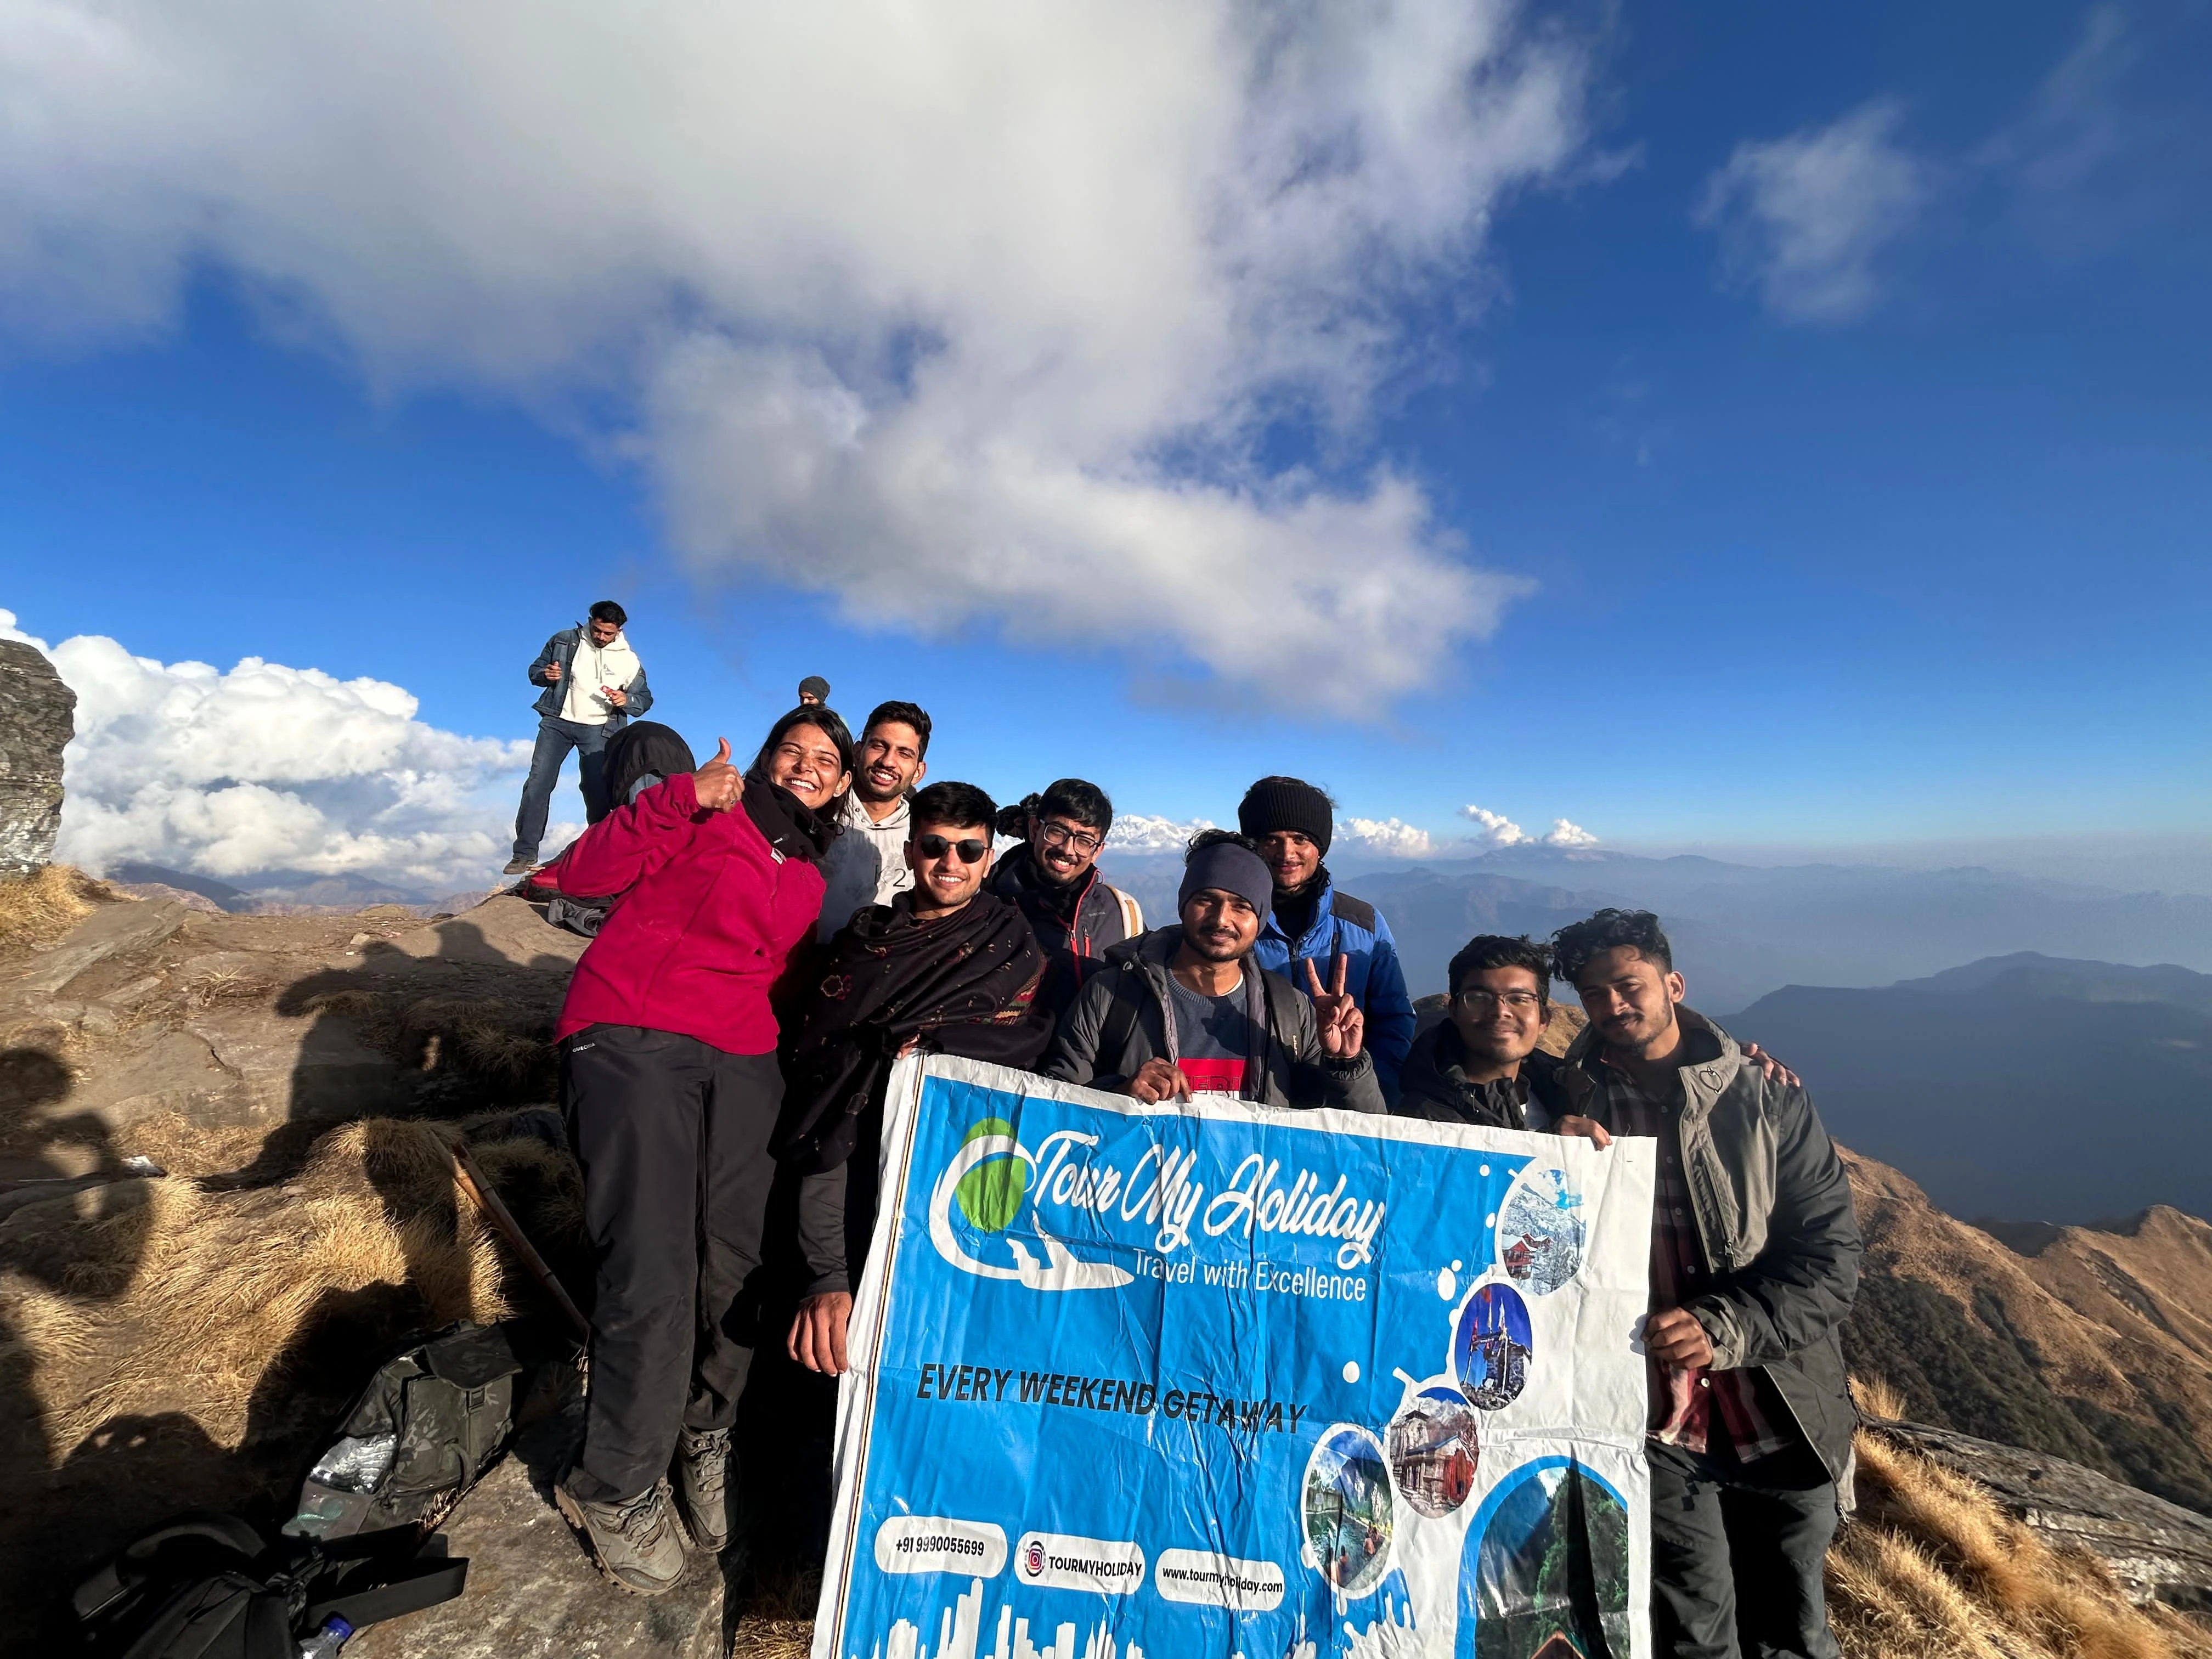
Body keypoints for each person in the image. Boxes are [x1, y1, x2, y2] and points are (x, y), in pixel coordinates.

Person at [547, 704, 854, 1595]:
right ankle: (614, 1481)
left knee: (738, 1262)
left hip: (743, 1050)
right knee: (651, 1259)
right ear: (763, 760)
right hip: (635, 1026)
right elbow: (581, 872)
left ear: (839, 783)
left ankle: (705, 1429)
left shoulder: (806, 864)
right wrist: (682, 795)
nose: (804, 765)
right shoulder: (705, 812)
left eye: (822, 759)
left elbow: (786, 974)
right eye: (789, 751)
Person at [1543, 908, 1859, 1659]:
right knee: (1691, 1631)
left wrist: (1724, 1328)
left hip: (1777, 1409)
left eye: (1630, 986)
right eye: (1594, 994)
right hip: (1660, 1423)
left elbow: (1831, 1261)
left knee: (1792, 1629)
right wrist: (1549, 1166)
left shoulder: (1768, 1097)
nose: (1614, 1006)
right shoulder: (1567, 1101)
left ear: (1673, 984)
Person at [775, 781, 1053, 1378]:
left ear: (988, 857)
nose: (950, 863)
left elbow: (1030, 1060)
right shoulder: (863, 946)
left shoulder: (1012, 950)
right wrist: (827, 1271)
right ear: (909, 849)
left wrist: (937, 1045)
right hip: (850, 1193)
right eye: (934, 845)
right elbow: (825, 1102)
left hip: (961, 1195)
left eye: (969, 850)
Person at [1045, 830, 1383, 1112]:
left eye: (1241, 906)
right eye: (1207, 900)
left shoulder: (1289, 1011)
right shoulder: (1110, 996)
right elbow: (1052, 1109)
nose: (1222, 919)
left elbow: (1361, 1138)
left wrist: (1345, 1062)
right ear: (1184, 904)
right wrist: (1121, 1092)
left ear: (1260, 920)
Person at [1395, 934, 1795, 1133]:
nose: (1500, 1011)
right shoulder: (1413, 1118)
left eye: (1519, 999)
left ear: (1544, 1018)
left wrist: (1725, 1062)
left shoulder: (1574, 1088)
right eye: (1480, 998)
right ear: (1453, 1009)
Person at [1235, 777, 1416, 1103]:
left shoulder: (1364, 925)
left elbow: (1394, 1018)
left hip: (1347, 1100)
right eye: (1270, 840)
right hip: (1257, 1108)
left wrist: (1373, 1092)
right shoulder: (1234, 923)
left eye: (1300, 839)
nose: (1286, 853)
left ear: (1321, 847)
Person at [506, 600, 654, 874]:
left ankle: (598, 853)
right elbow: (534, 671)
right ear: (590, 621)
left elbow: (644, 700)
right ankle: (524, 854)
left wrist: (627, 699)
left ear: (618, 631)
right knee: (538, 783)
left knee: (596, 790)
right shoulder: (564, 640)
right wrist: (545, 674)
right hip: (556, 722)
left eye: (607, 633)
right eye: (597, 630)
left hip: (599, 729)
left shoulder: (629, 660)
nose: (600, 637)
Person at [985, 778, 1143, 1018]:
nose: (1068, 849)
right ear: (1035, 829)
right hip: (1009, 1053)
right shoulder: (990, 905)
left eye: (1084, 841)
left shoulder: (1123, 913)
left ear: (1097, 851)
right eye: (1058, 832)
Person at [814, 701, 930, 941]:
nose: (888, 761)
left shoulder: (925, 837)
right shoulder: (815, 810)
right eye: (879, 746)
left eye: (904, 753)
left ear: (918, 771)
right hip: (794, 968)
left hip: (879, 970)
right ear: (858, 751)